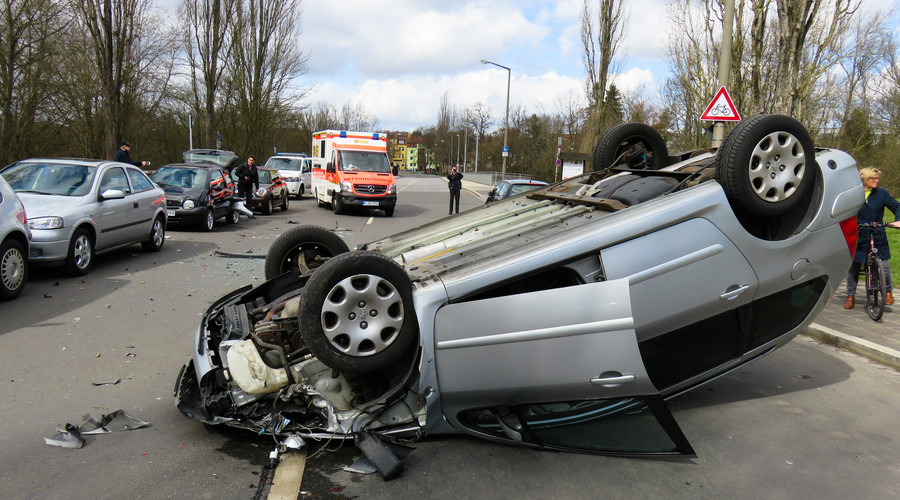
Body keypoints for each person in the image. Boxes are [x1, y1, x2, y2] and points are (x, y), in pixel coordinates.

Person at [844, 167, 900, 309]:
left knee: (885, 266)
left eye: (877, 178)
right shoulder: (853, 194)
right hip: (859, 234)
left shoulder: (881, 194)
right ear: (864, 179)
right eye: (873, 178)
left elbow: (897, 206)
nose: (876, 180)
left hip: (877, 233)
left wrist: (898, 220)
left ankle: (888, 292)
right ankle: (850, 295)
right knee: (854, 267)